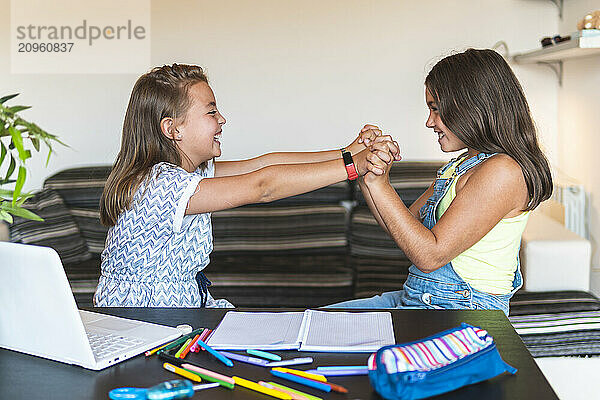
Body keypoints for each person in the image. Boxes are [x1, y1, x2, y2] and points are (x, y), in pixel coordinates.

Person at [94, 63, 400, 308]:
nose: (222, 119)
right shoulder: (162, 185)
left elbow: (265, 164)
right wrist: (354, 166)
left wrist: (349, 151)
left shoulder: (191, 174)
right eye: (211, 111)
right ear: (172, 129)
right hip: (142, 316)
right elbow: (263, 186)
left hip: (179, 306)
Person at [329, 49, 553, 316]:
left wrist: (382, 187)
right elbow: (403, 228)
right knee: (313, 323)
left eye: (435, 109)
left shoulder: (503, 171)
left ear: (471, 105)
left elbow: (429, 256)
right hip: (419, 298)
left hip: (461, 311)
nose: (429, 122)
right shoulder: (462, 164)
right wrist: (372, 177)